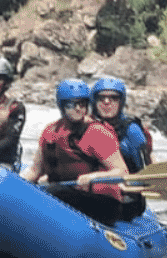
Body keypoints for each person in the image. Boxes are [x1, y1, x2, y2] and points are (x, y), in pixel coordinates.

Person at [20, 78, 131, 225]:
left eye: (82, 104)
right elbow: (34, 172)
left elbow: (122, 172)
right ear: (62, 106)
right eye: (72, 104)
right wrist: (13, 183)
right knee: (49, 192)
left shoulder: (97, 133)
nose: (78, 108)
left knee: (54, 193)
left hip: (103, 202)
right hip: (66, 194)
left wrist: (94, 177)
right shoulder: (50, 131)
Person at [90, 76, 153, 173]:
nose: (106, 102)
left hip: (128, 182)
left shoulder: (132, 130)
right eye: (101, 97)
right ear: (94, 101)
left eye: (114, 98)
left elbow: (143, 169)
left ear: (121, 102)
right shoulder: (86, 126)